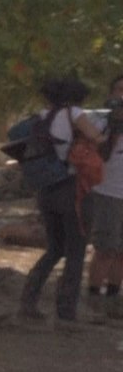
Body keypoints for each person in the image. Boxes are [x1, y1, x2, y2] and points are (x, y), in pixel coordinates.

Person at [19, 77, 103, 323]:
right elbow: (99, 140)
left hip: (47, 190)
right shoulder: (74, 113)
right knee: (76, 253)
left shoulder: (42, 116)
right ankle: (66, 313)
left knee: (54, 249)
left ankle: (28, 301)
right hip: (72, 190)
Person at [85, 74, 123, 314]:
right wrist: (114, 128)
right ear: (111, 94)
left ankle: (113, 299)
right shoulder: (99, 121)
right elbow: (101, 155)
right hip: (108, 192)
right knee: (105, 249)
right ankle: (94, 300)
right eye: (119, 90)